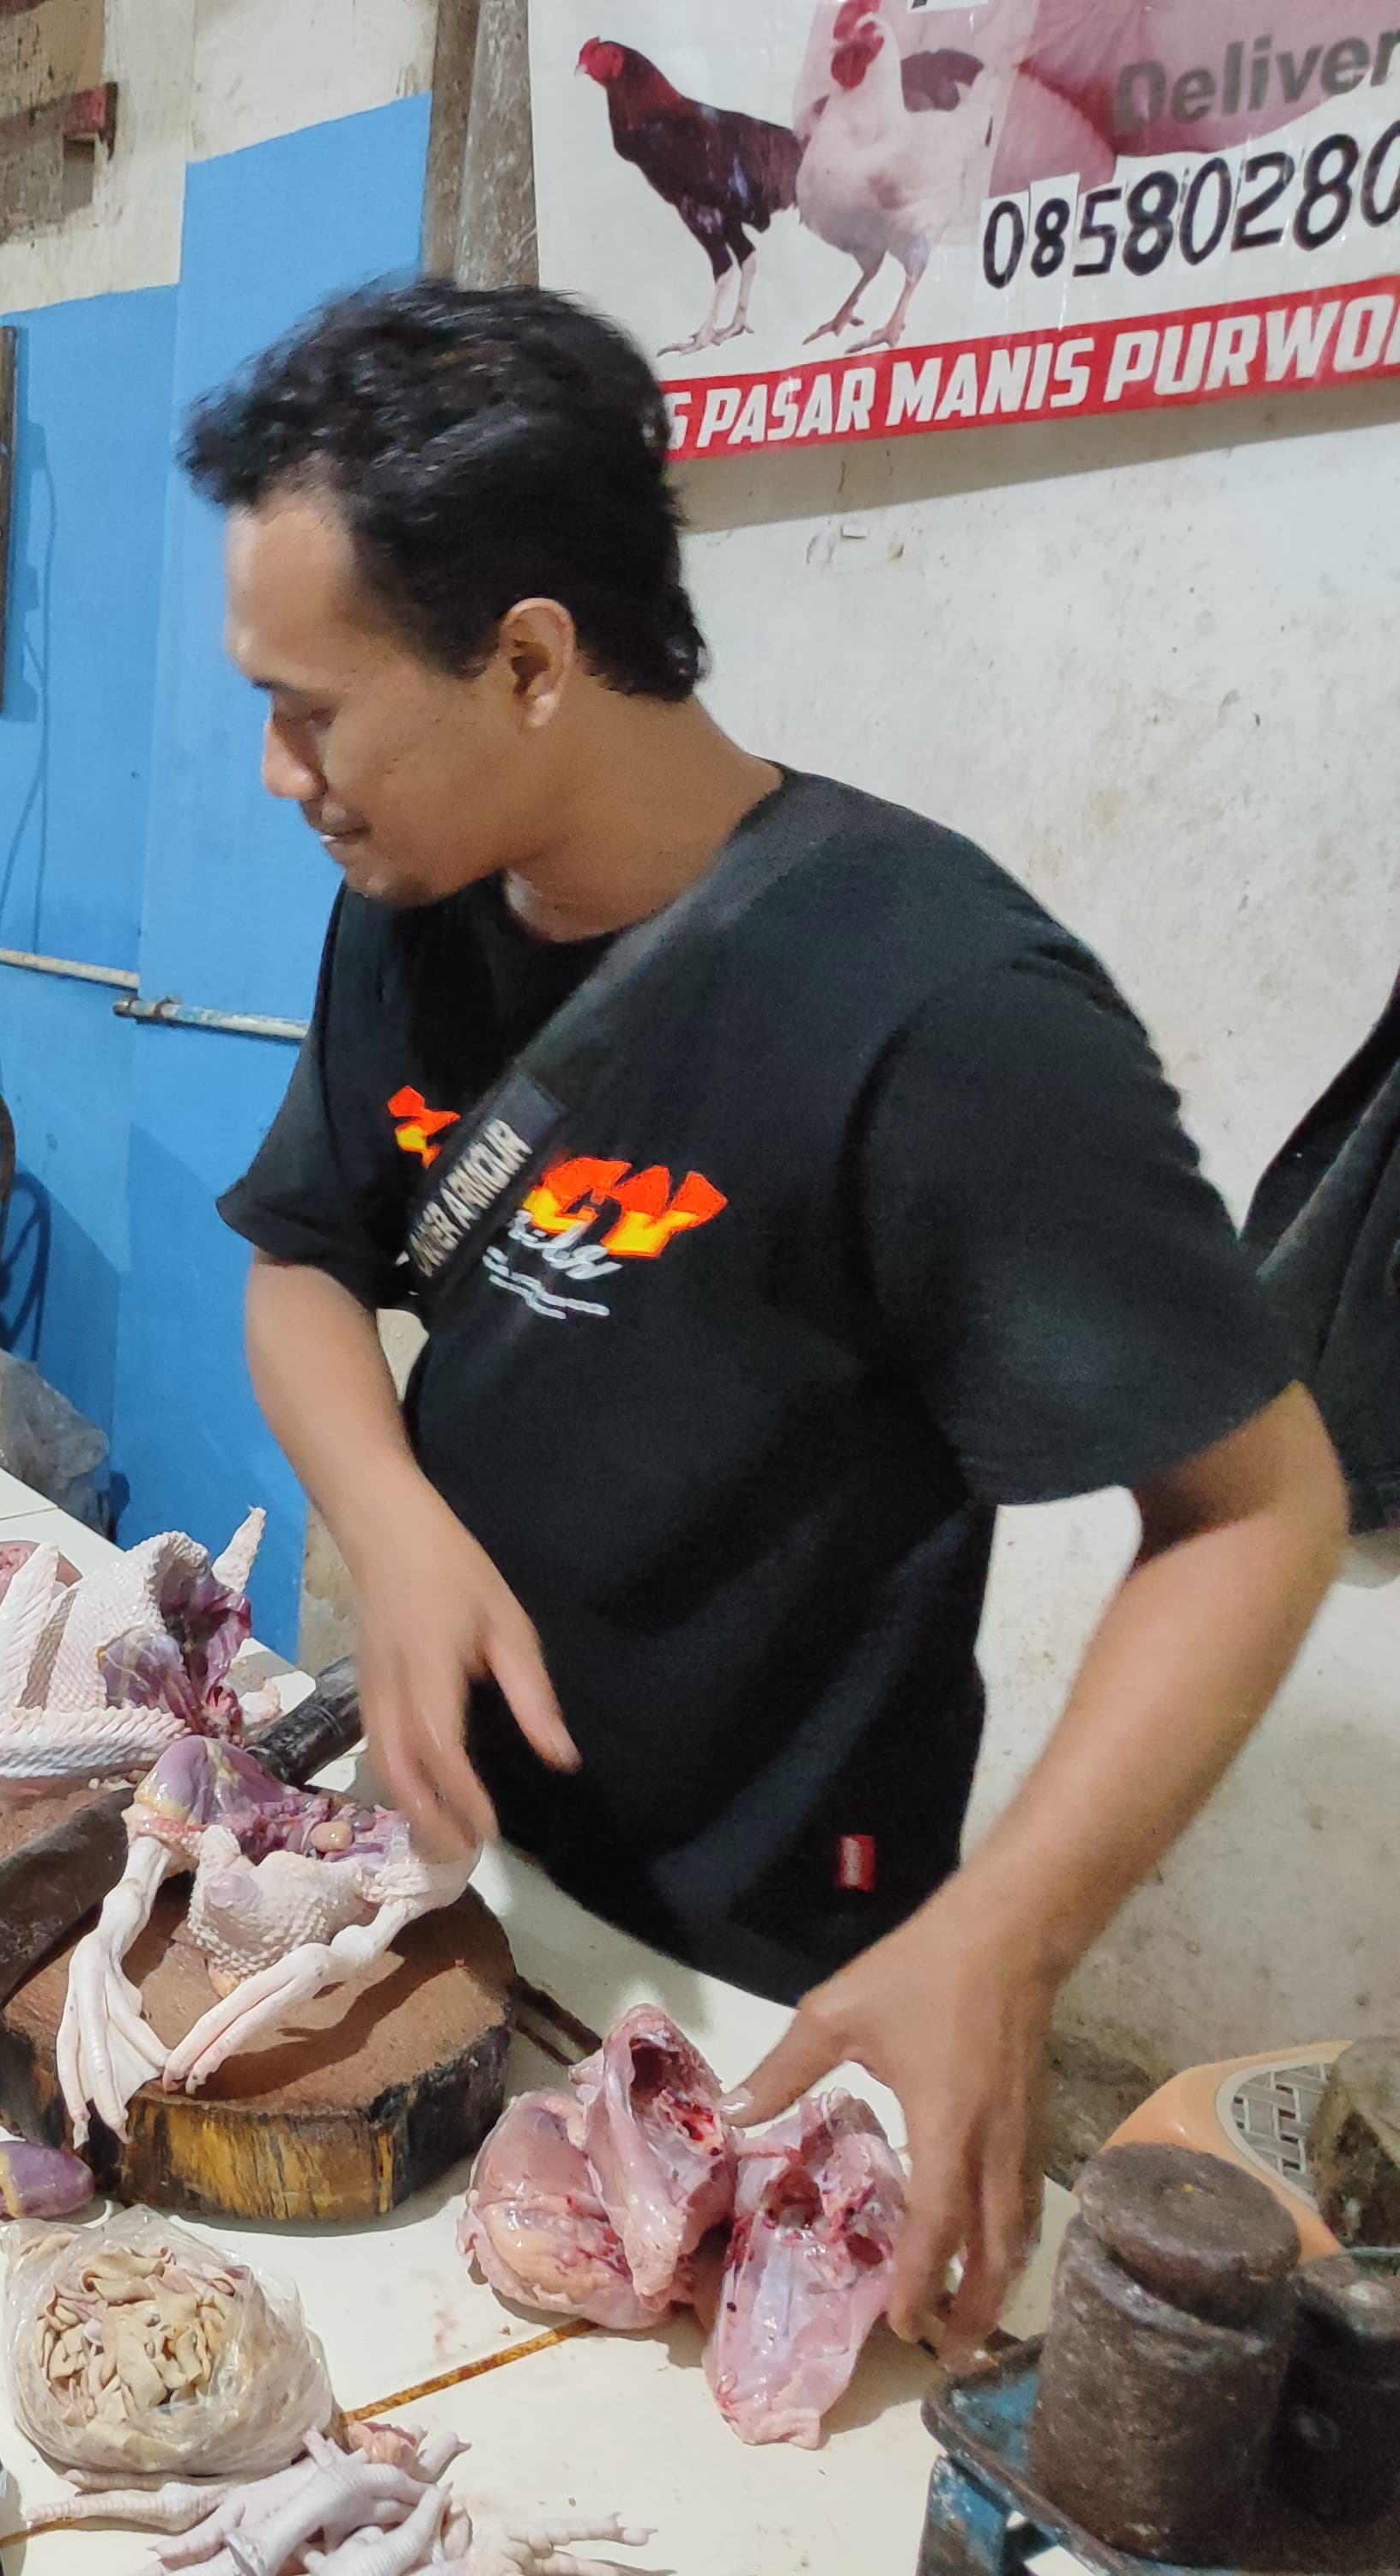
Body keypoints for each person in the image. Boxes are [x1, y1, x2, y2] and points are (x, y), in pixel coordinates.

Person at [192, 281, 1348, 2357]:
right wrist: (393, 1519)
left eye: (311, 707)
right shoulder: (412, 890)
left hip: (750, 1956)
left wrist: (1004, 1944)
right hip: (456, 1884)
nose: (276, 771)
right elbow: (301, 1257)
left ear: (527, 659)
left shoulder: (935, 1008)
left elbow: (1256, 1512)